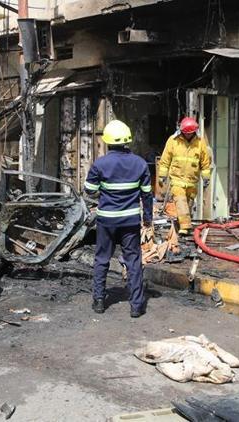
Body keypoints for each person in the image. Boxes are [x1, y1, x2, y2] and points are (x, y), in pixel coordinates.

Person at [84, 119, 152, 318]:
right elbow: (147, 194)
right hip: (130, 221)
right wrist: (147, 218)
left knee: (102, 259)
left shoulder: (100, 164)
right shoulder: (140, 163)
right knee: (133, 261)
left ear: (107, 141)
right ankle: (137, 305)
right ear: (127, 140)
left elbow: (90, 191)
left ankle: (98, 301)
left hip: (106, 221)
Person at [157, 117, 213, 235]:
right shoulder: (173, 141)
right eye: (186, 133)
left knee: (187, 205)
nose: (188, 135)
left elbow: (204, 161)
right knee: (181, 201)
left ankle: (181, 225)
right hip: (177, 179)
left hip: (192, 181)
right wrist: (162, 175)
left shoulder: (200, 142)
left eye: (190, 133)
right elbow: (165, 160)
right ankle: (185, 227)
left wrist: (206, 177)